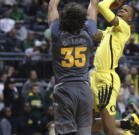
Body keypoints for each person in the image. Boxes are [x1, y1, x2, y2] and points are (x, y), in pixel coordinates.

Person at [90, 0, 139, 135]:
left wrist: (111, 2)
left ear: (130, 18)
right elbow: (91, 32)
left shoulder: (124, 27)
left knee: (109, 131)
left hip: (106, 78)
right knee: (86, 124)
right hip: (94, 77)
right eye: (121, 8)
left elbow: (103, 6)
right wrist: (92, 7)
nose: (121, 10)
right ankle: (127, 123)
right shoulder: (109, 31)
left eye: (125, 10)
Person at [48, 0, 97, 135]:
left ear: (63, 18)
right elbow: (93, 4)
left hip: (65, 90)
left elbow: (52, 6)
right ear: (83, 19)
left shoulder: (57, 33)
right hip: (84, 89)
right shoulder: (89, 32)